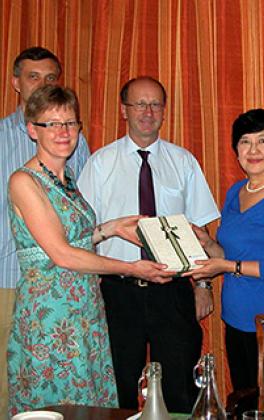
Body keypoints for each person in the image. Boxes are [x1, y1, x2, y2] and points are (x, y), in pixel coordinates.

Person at [6, 85, 171, 415]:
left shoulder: (65, 179)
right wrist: (131, 268)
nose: (63, 132)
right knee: (56, 405)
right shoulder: (24, 181)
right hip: (51, 315)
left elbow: (76, 239)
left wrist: (113, 228)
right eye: (51, 124)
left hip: (84, 309)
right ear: (31, 130)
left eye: (70, 123)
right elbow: (62, 255)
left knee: (87, 404)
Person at [77, 76, 220, 412]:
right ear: (124, 110)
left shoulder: (182, 162)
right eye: (139, 103)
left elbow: (199, 233)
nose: (147, 111)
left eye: (155, 104)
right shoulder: (100, 163)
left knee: (180, 386)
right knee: (118, 385)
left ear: (164, 112)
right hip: (117, 292)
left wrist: (202, 286)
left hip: (173, 292)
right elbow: (84, 231)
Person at [186, 108, 264, 420]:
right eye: (245, 142)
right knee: (245, 406)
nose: (253, 150)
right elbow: (228, 253)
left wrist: (227, 267)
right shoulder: (235, 192)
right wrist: (207, 243)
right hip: (238, 320)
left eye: (263, 141)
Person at [0, 46, 90, 416]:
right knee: (12, 387)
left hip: (67, 289)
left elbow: (79, 207)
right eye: (33, 76)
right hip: (7, 279)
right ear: (16, 83)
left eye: (51, 78)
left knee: (64, 392)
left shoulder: (75, 141)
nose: (42, 84)